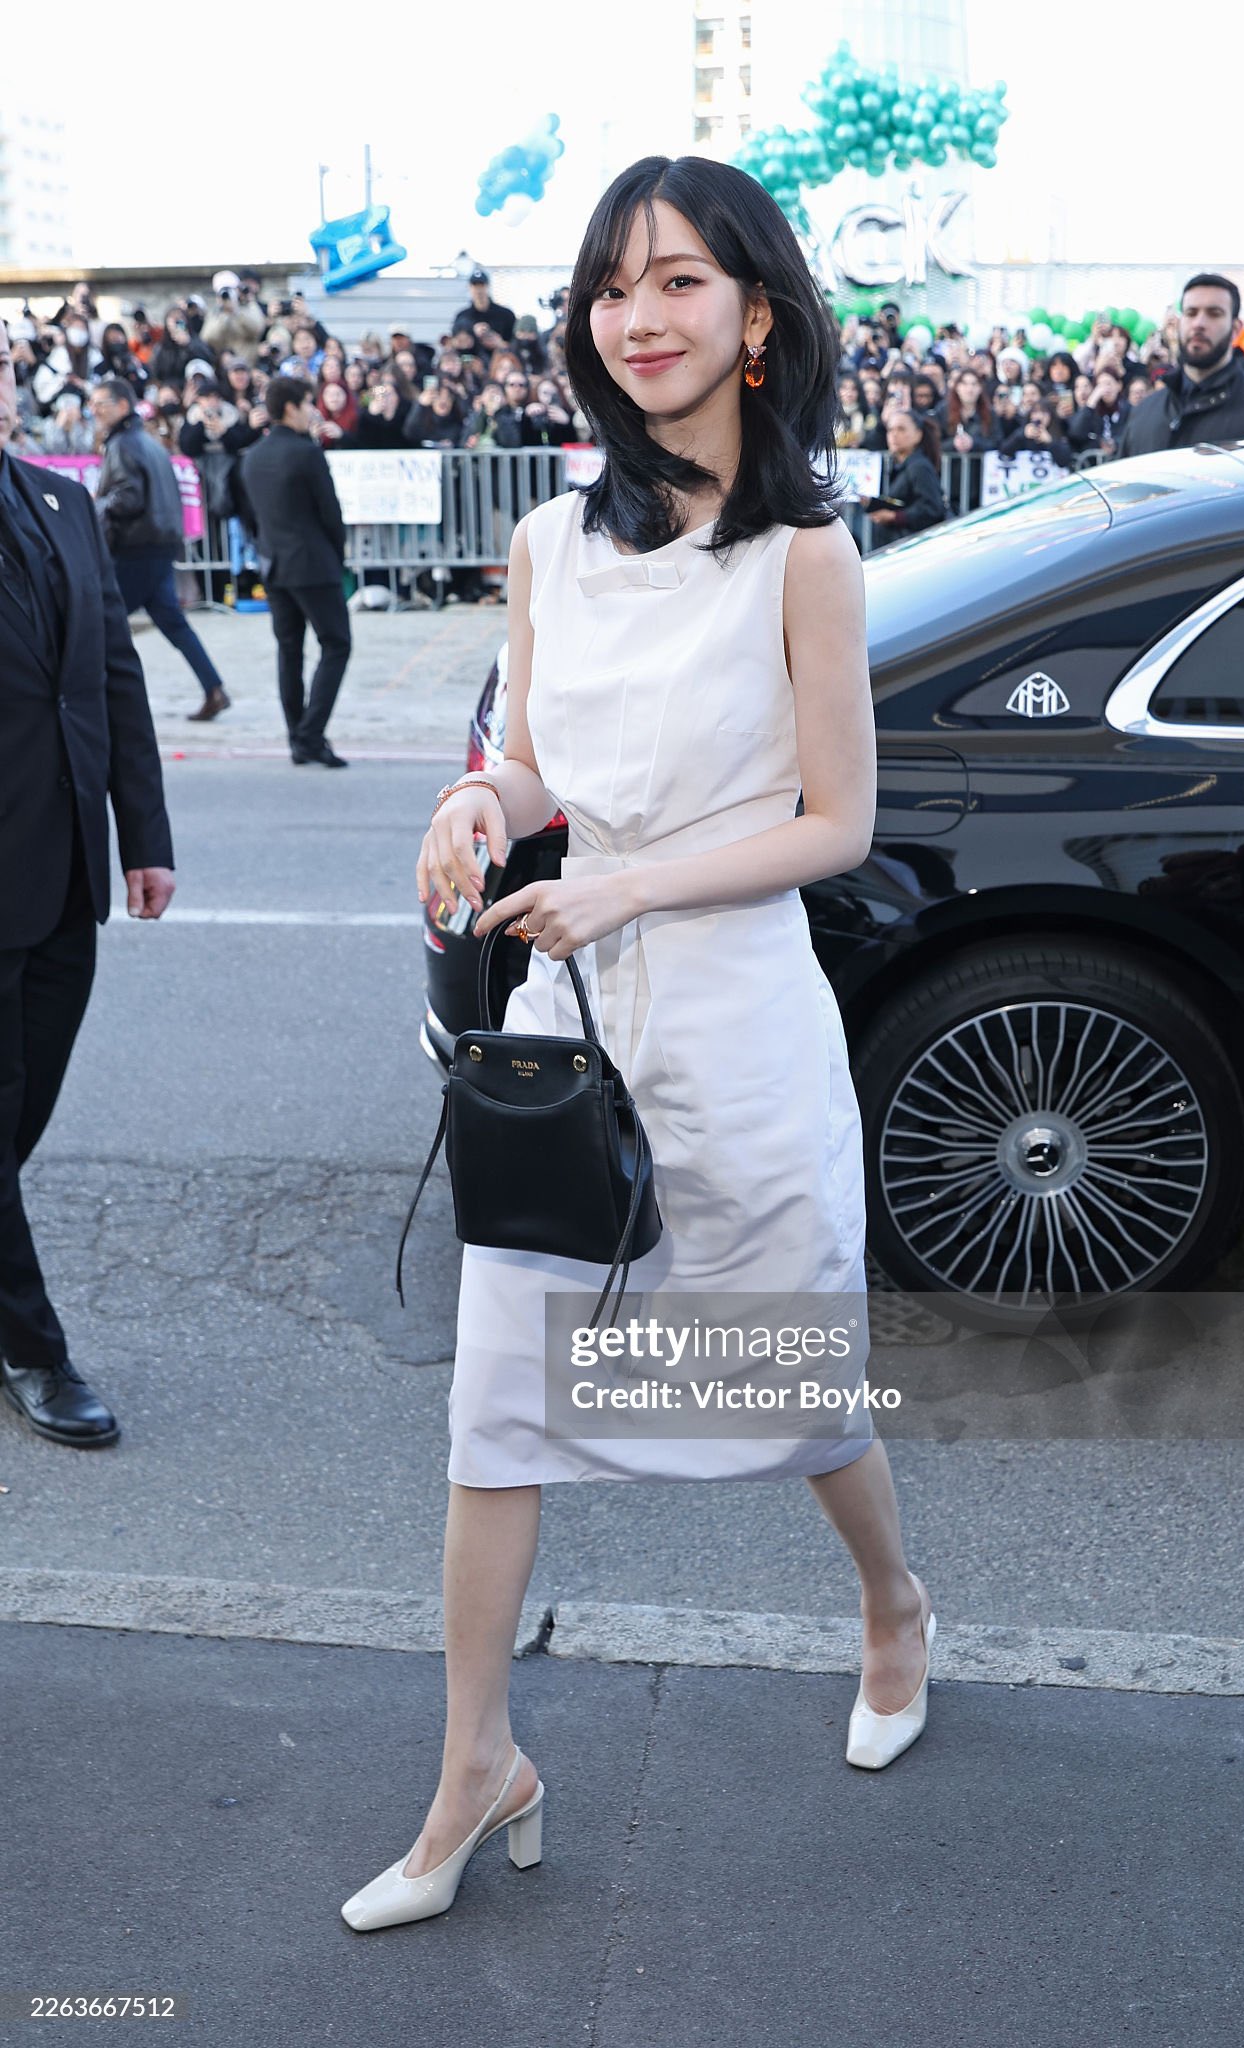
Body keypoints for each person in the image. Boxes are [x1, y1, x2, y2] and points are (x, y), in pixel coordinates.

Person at [340, 153, 935, 1936]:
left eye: (677, 280)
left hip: (737, 1024)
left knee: (787, 1385)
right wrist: (476, 801)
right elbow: (536, 765)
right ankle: (477, 1766)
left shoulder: (808, 554)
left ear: (757, 314)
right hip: (568, 1037)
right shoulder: (549, 540)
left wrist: (628, 884)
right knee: (495, 1404)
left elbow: (838, 823)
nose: (638, 316)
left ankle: (894, 1605)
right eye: (611, 286)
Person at [0, 319, 176, 1449]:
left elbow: (111, 676)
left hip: (64, 866)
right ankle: (33, 1349)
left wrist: (143, 835)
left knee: (26, 1107)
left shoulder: (62, 502)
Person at [88, 378, 232, 723]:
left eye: (101, 404)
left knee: (99, 622)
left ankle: (107, 701)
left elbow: (128, 498)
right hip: (159, 544)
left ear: (123, 405)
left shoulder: (124, 444)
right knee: (172, 623)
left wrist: (96, 503)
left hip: (137, 548)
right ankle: (213, 688)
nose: (94, 410)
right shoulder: (147, 442)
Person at [236, 376, 351, 767]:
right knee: (336, 644)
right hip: (312, 563)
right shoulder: (306, 453)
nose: (311, 411)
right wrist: (337, 554)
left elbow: (248, 515)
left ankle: (297, 737)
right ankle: (310, 734)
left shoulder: (253, 456)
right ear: (290, 407)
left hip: (273, 563)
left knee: (289, 651)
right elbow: (330, 512)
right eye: (307, 403)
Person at [1117, 274, 1244, 456]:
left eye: (1214, 314)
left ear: (1235, 328)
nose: (1199, 323)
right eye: (1191, 313)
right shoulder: (1145, 412)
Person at [863, 408, 946, 548]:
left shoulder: (919, 467)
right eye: (890, 430)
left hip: (913, 547)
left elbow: (932, 508)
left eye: (901, 429)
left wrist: (894, 517)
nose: (894, 435)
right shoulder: (901, 465)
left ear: (918, 435)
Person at [450, 267, 517, 349]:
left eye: (481, 286)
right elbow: (454, 344)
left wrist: (500, 343)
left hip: (499, 355)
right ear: (469, 288)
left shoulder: (506, 315)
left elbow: (516, 345)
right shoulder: (462, 317)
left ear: (488, 287)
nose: (479, 291)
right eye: (475, 286)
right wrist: (470, 335)